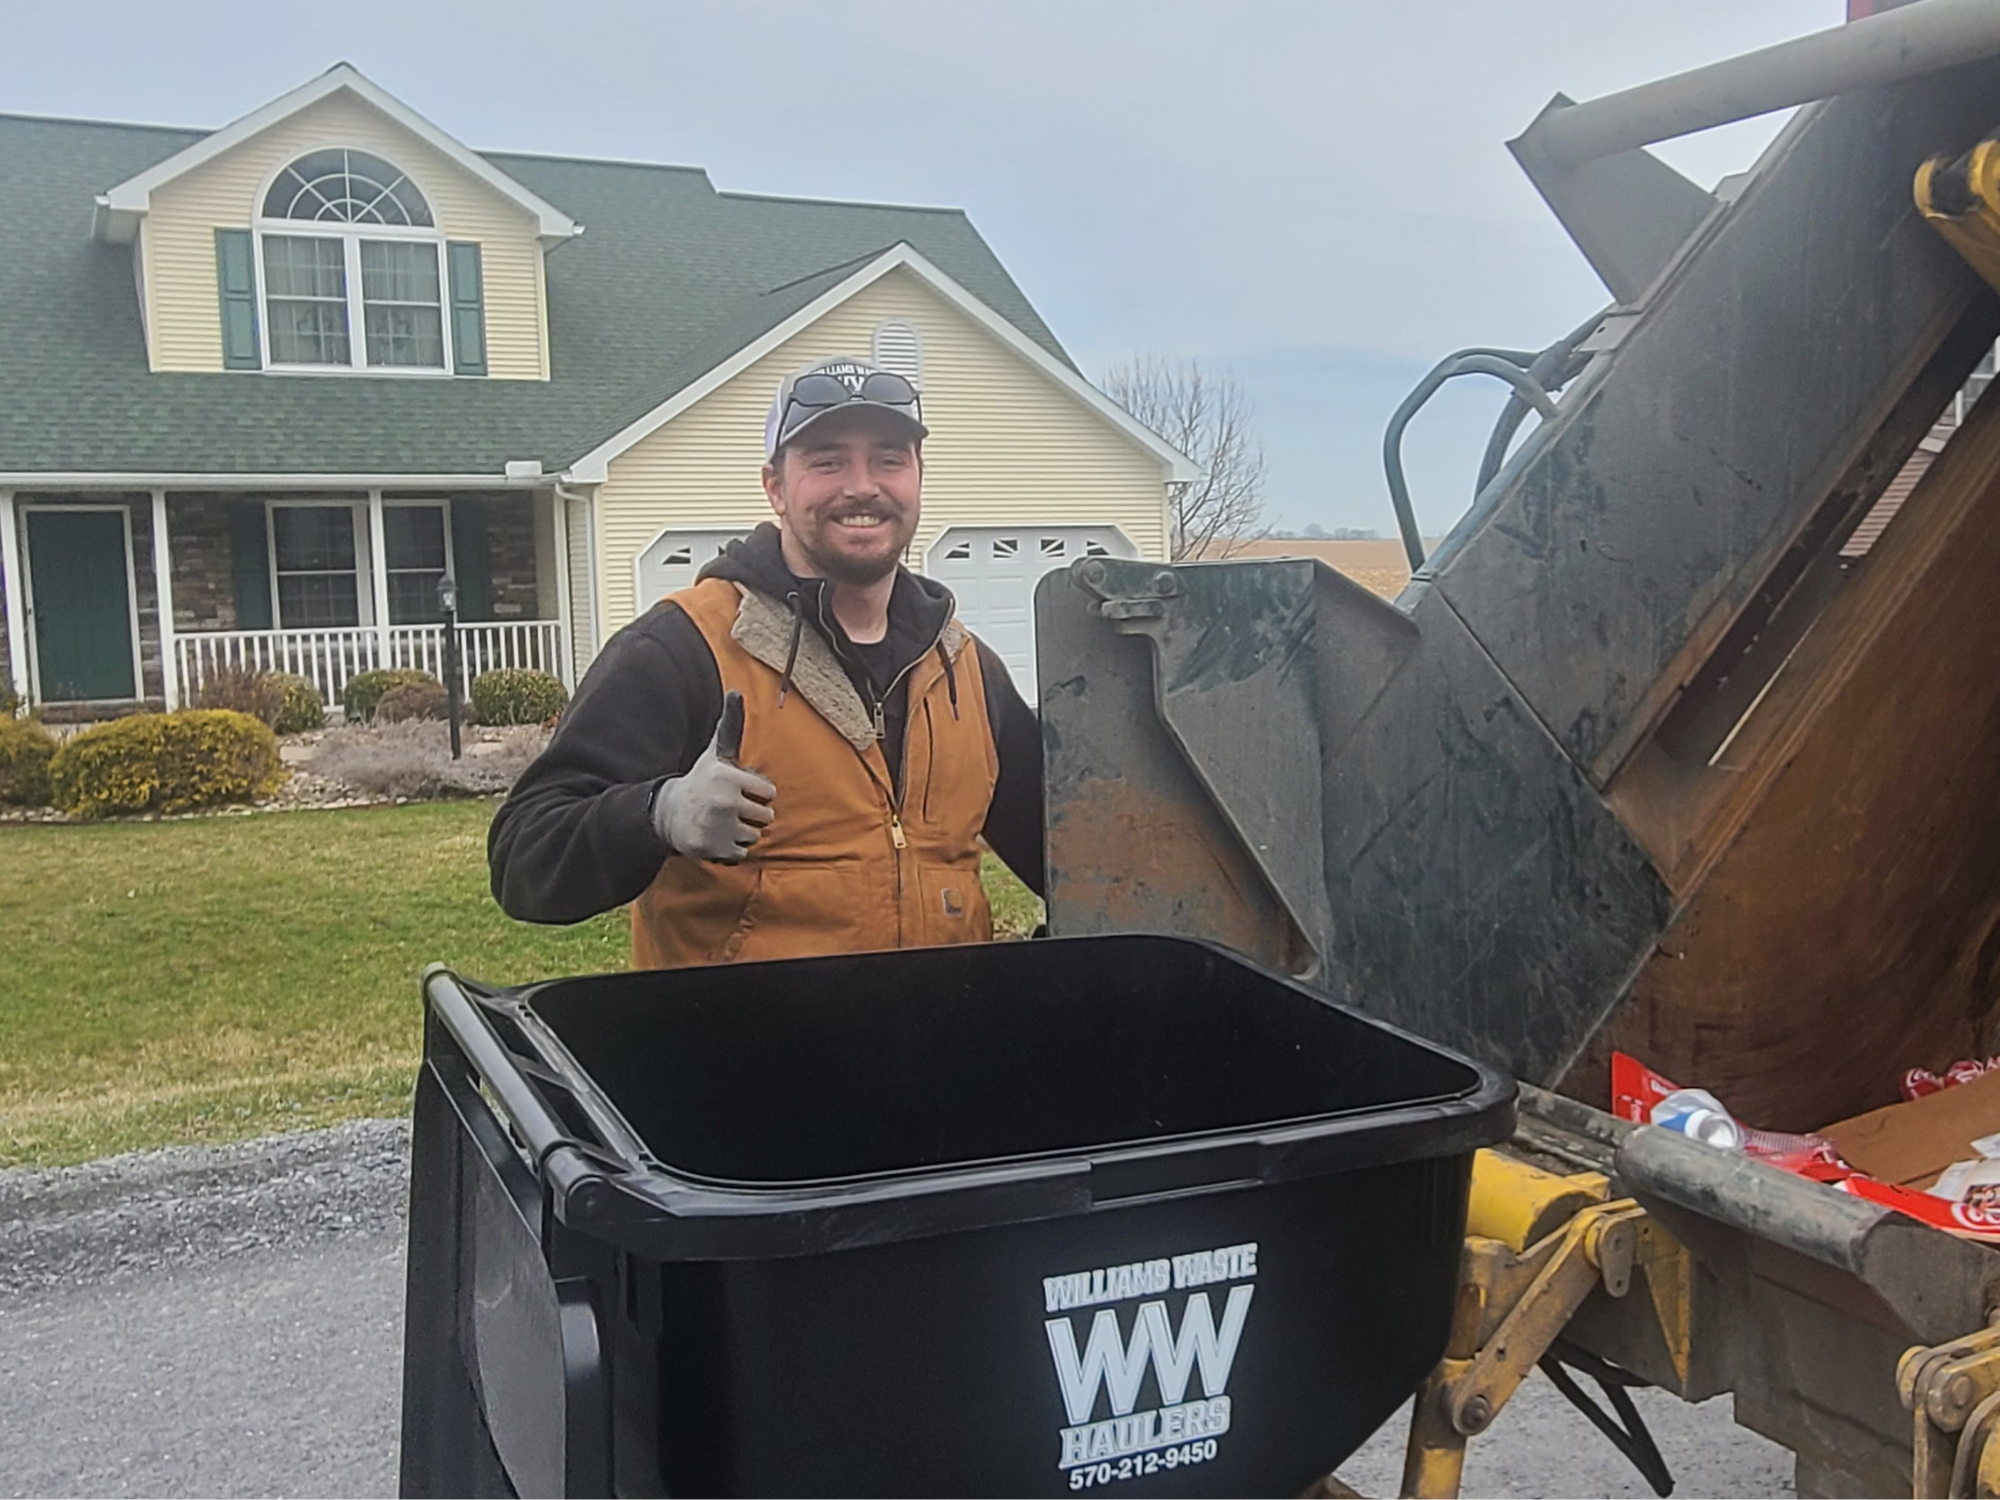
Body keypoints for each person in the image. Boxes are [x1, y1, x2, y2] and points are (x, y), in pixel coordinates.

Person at [488, 355, 1044, 968]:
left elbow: (1074, 853)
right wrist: (658, 814)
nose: (862, 485)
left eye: (889, 458)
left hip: (945, 1049)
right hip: (744, 1055)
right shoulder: (684, 647)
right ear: (775, 486)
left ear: (918, 476)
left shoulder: (966, 668)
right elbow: (523, 856)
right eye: (827, 460)